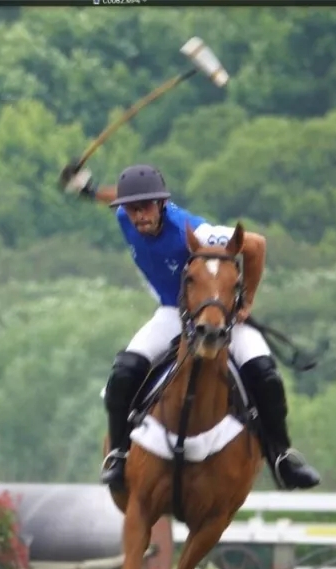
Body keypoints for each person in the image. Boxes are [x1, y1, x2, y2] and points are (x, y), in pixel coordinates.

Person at [58, 161, 321, 493]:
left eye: (145, 208)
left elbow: (255, 245)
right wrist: (89, 190)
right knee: (124, 371)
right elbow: (121, 198)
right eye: (132, 209)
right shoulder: (125, 214)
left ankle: (282, 457)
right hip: (172, 312)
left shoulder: (191, 228)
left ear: (162, 204)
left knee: (265, 373)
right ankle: (118, 454)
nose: (139, 217)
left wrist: (247, 301)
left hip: (215, 316)